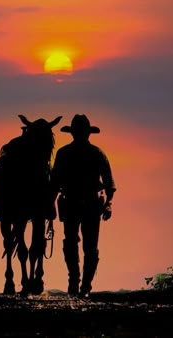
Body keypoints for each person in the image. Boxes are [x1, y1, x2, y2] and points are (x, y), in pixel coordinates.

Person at [50, 114, 116, 298]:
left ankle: (84, 285)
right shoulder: (87, 153)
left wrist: (109, 204)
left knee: (87, 246)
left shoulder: (93, 153)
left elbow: (109, 183)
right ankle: (76, 282)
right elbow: (55, 184)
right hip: (76, 203)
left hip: (88, 204)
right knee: (73, 243)